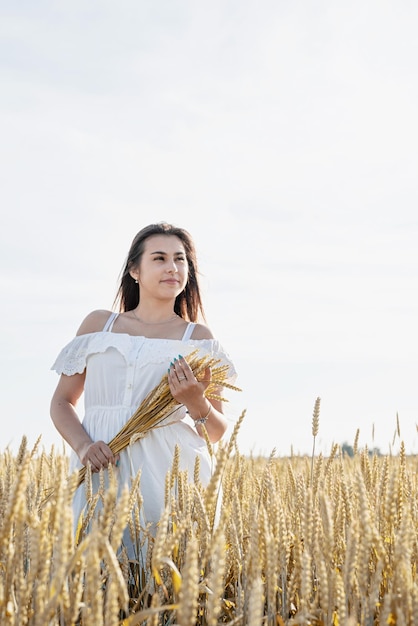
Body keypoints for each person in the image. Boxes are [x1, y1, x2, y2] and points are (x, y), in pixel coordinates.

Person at [50, 222, 237, 560]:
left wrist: (196, 404)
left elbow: (217, 432)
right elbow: (62, 402)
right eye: (160, 258)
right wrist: (83, 447)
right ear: (135, 270)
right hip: (102, 466)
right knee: (96, 576)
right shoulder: (98, 326)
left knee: (163, 575)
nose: (173, 268)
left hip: (169, 475)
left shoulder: (198, 338)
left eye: (180, 260)